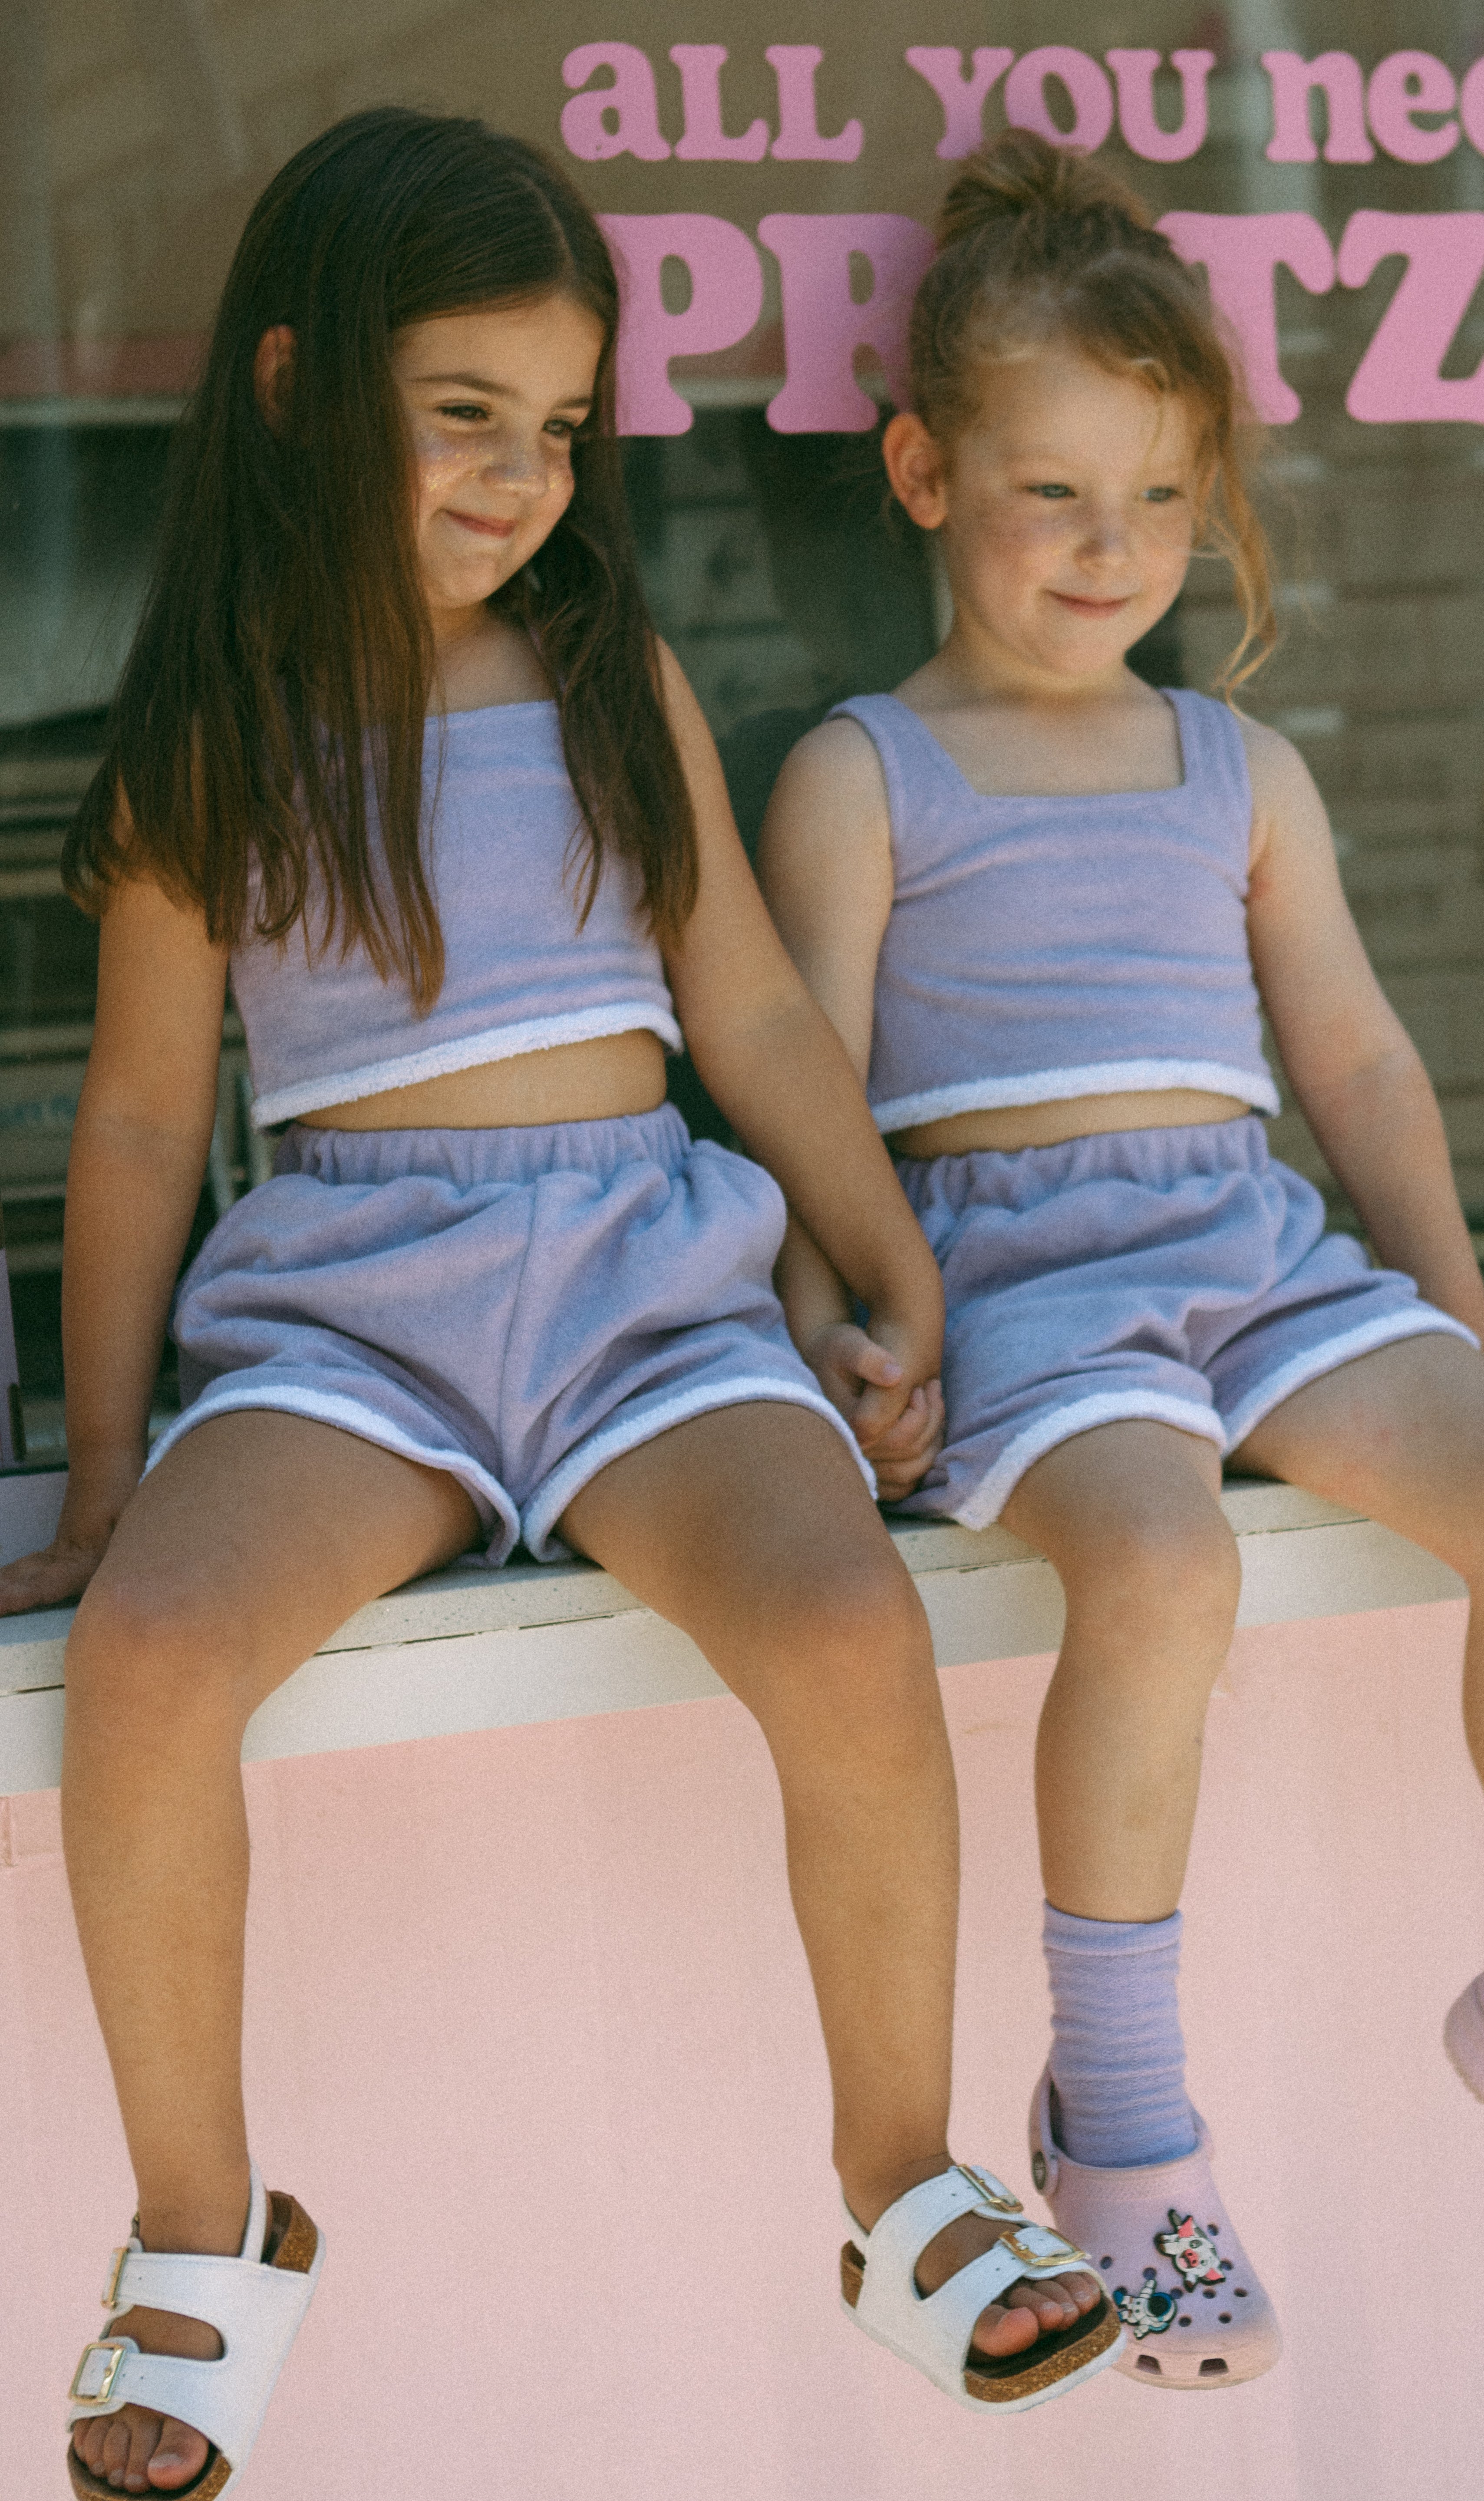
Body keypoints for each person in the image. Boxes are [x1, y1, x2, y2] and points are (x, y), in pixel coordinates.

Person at [0, 112, 1125, 2499]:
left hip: (641, 1288)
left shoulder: (613, 678)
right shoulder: (215, 731)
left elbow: (756, 1009)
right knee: (154, 1660)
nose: (523, 479)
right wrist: (103, 1474)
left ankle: (902, 2171)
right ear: (297, 389)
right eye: (464, 415)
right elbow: (137, 1124)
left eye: (562, 426)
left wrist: (897, 1268)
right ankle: (201, 2228)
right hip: (350, 1319)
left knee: (841, 1624)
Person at [759, 129, 1484, 2392]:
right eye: (1055, 494)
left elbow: (1354, 1064)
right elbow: (804, 1092)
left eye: (1162, 499)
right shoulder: (865, 772)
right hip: (1022, 1276)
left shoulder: (1231, 762)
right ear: (925, 473)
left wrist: (1466, 1341)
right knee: (1164, 1565)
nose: (1114, 550)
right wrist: (831, 1341)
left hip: (1249, 1243)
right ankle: (1122, 2124)